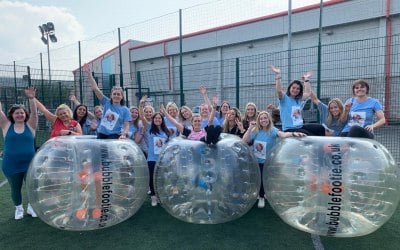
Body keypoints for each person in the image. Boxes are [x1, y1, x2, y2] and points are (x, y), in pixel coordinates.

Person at [242, 111, 305, 208]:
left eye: (265, 118)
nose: (263, 120)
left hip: (268, 162)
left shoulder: (272, 130)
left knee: (267, 179)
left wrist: (294, 133)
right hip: (256, 162)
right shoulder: (256, 130)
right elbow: (244, 140)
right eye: (261, 118)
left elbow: (283, 135)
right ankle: (261, 197)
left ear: (269, 119)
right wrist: (250, 128)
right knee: (260, 181)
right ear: (259, 120)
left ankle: (266, 195)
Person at [0, 87, 38, 220]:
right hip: (11, 164)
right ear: (12, 115)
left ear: (25, 114)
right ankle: (19, 208)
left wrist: (32, 98)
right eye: (17, 113)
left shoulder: (31, 125)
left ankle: (31, 207)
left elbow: (34, 113)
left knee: (32, 187)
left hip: (30, 164)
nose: (20, 115)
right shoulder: (6, 125)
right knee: (15, 188)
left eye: (22, 113)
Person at [272, 65, 325, 136]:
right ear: (289, 88)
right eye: (293, 88)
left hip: (300, 126)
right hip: (289, 128)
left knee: (320, 128)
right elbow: (279, 91)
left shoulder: (299, 99)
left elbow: (308, 93)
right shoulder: (284, 99)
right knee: (308, 134)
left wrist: (306, 80)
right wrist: (278, 75)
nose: (295, 90)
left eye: (298, 89)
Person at [84, 64, 131, 139]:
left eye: (118, 94)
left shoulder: (125, 110)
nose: (116, 96)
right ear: (111, 96)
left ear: (122, 97)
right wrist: (89, 74)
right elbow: (95, 89)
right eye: (114, 94)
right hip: (101, 133)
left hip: (114, 135)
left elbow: (126, 125)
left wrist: (124, 134)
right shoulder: (106, 102)